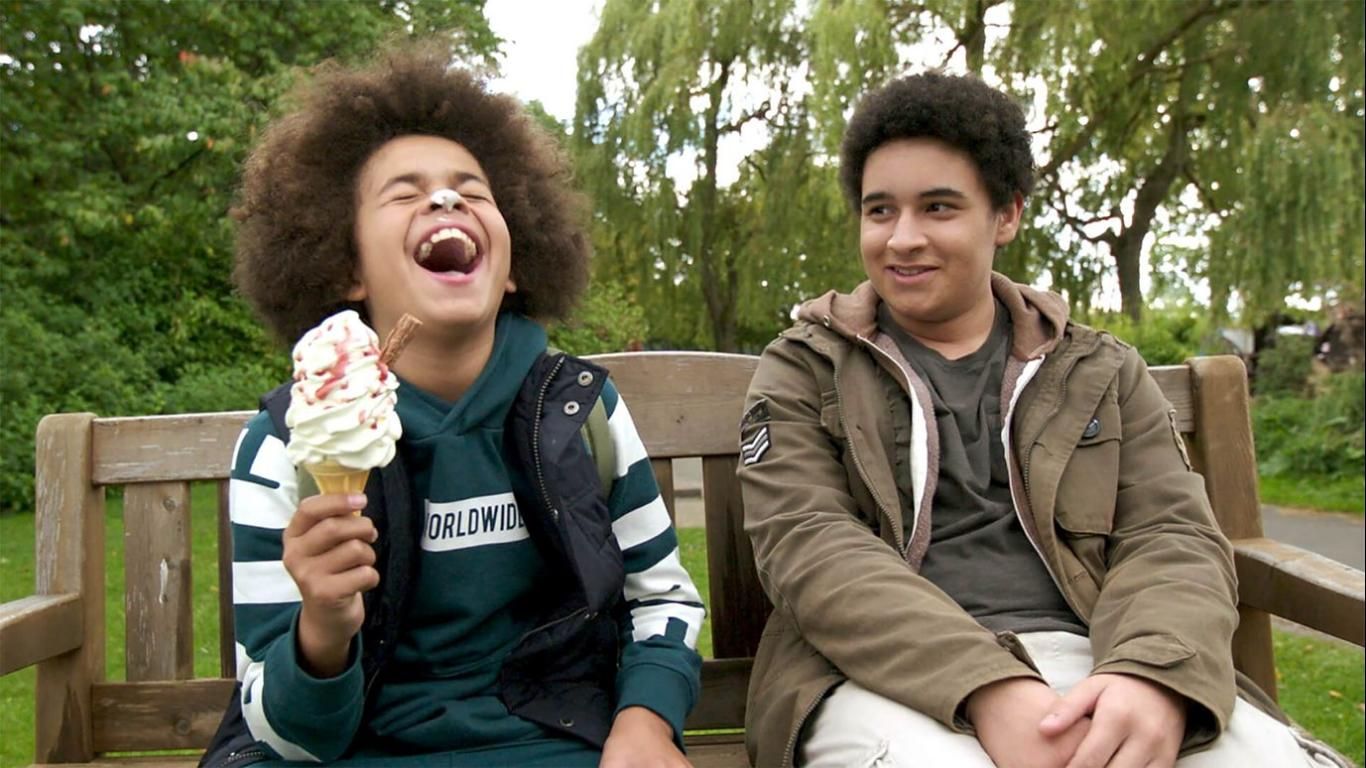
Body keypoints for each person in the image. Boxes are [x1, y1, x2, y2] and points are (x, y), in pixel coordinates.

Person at [735, 71, 1350, 768]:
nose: (902, 238)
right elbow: (812, 549)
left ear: (1006, 216)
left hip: (1102, 658)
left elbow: (1171, 534)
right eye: (880, 211)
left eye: (938, 208)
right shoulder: (806, 368)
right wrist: (988, 686)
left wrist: (1151, 673)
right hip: (880, 679)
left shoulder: (1100, 370)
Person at [201, 44, 704, 768]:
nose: (444, 201)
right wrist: (322, 630)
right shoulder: (284, 444)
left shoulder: (581, 412)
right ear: (346, 267)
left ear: (514, 263)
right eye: (404, 194)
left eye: (473, 190)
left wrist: (646, 721)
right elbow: (281, 735)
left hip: (551, 745)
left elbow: (662, 601)